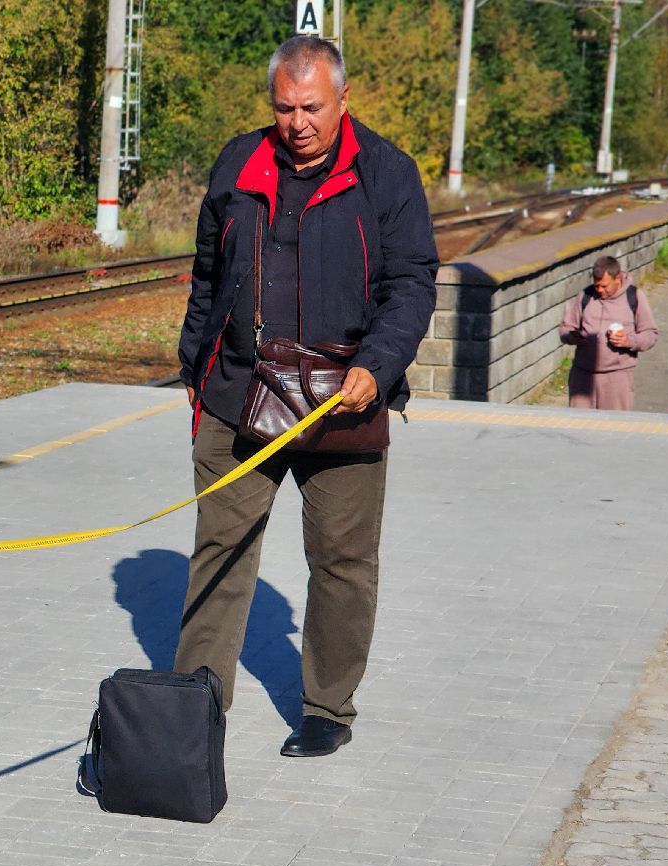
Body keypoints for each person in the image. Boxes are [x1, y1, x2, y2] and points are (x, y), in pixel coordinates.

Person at [174, 36, 438, 758]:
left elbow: (412, 283)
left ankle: (327, 707)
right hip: (238, 392)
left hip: (343, 401)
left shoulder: (387, 173)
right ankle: (196, 702)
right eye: (285, 108)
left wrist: (378, 367)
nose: (297, 123)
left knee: (343, 563)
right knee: (219, 552)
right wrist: (194, 369)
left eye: (312, 108)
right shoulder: (238, 162)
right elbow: (207, 273)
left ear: (343, 99)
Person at [558, 254, 658, 410]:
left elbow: (650, 334)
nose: (599, 290)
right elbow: (565, 327)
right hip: (582, 376)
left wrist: (629, 341)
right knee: (578, 423)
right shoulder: (586, 295)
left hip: (617, 377)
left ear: (617, 278)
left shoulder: (634, 296)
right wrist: (571, 337)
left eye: (604, 286)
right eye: (596, 286)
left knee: (614, 423)